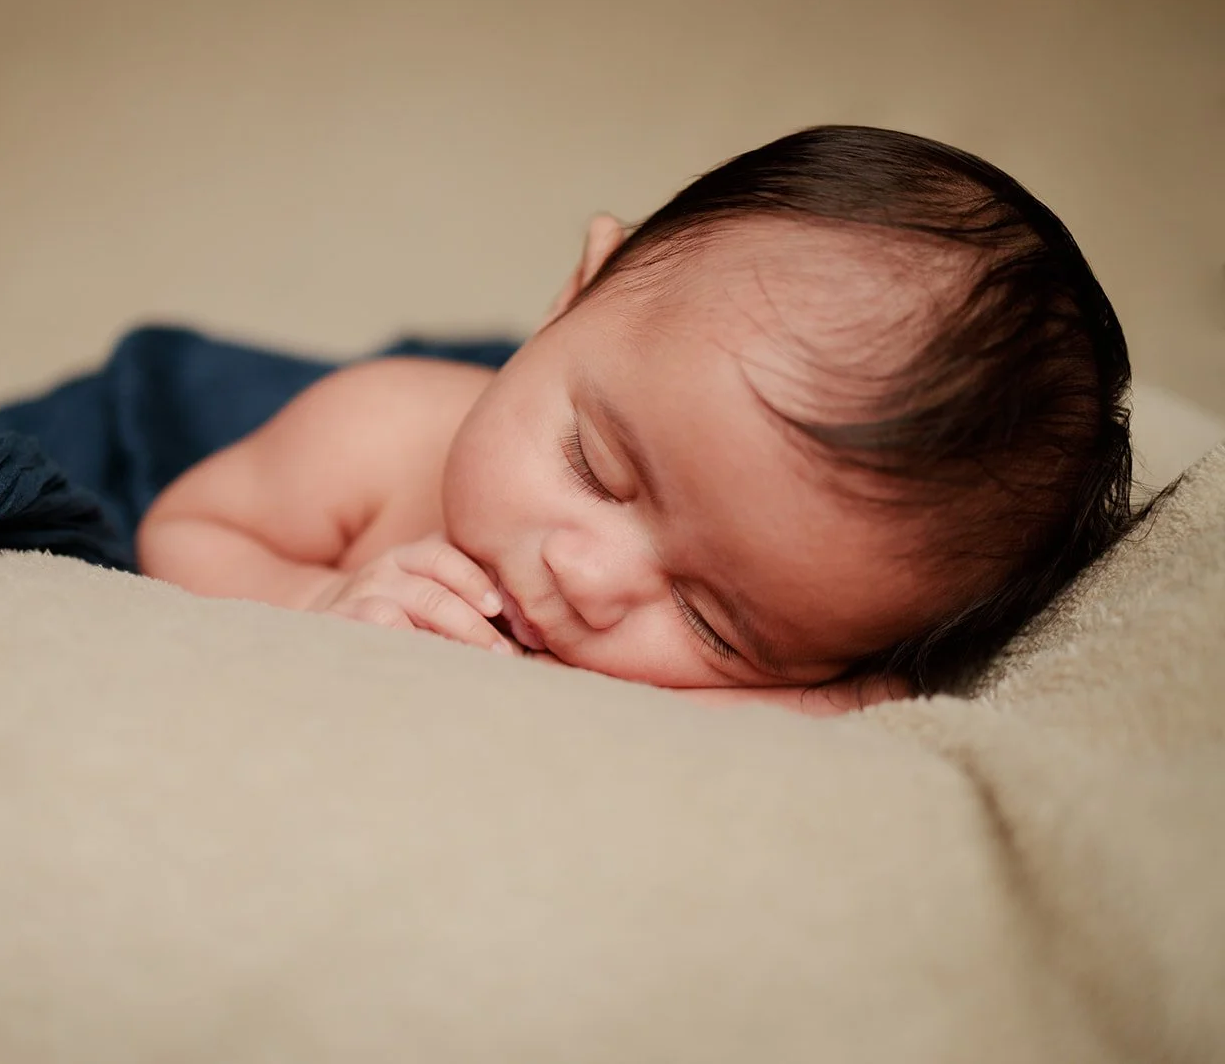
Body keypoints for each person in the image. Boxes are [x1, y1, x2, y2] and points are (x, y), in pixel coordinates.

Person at [135, 125, 1136, 715]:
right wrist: (315, 601)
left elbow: (848, 715)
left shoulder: (818, 638)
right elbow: (181, 529)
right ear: (576, 289)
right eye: (596, 467)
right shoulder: (377, 425)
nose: (590, 576)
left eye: (713, 622)